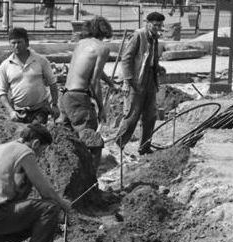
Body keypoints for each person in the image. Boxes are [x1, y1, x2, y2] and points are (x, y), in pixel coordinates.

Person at [114, 11, 166, 155]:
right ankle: (117, 146)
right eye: (155, 25)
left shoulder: (155, 37)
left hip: (150, 80)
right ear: (147, 23)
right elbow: (126, 59)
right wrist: (127, 81)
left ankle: (144, 147)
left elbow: (149, 59)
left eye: (160, 25)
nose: (157, 28)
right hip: (136, 81)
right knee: (132, 116)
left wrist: (158, 68)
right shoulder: (138, 35)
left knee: (150, 115)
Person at [60, 16, 113, 135]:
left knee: (68, 140)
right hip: (78, 98)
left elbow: (89, 69)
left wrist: (110, 83)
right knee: (89, 138)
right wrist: (101, 108)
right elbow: (94, 81)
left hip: (65, 95)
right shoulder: (103, 48)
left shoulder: (81, 43)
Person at [0, 26, 58, 122]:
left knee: (35, 133)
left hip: (39, 111)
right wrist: (10, 112)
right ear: (9, 44)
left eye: (19, 42)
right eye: (13, 43)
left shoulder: (41, 61)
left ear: (26, 43)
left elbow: (52, 83)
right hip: (18, 113)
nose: (16, 46)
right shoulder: (5, 66)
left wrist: (54, 105)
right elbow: (1, 92)